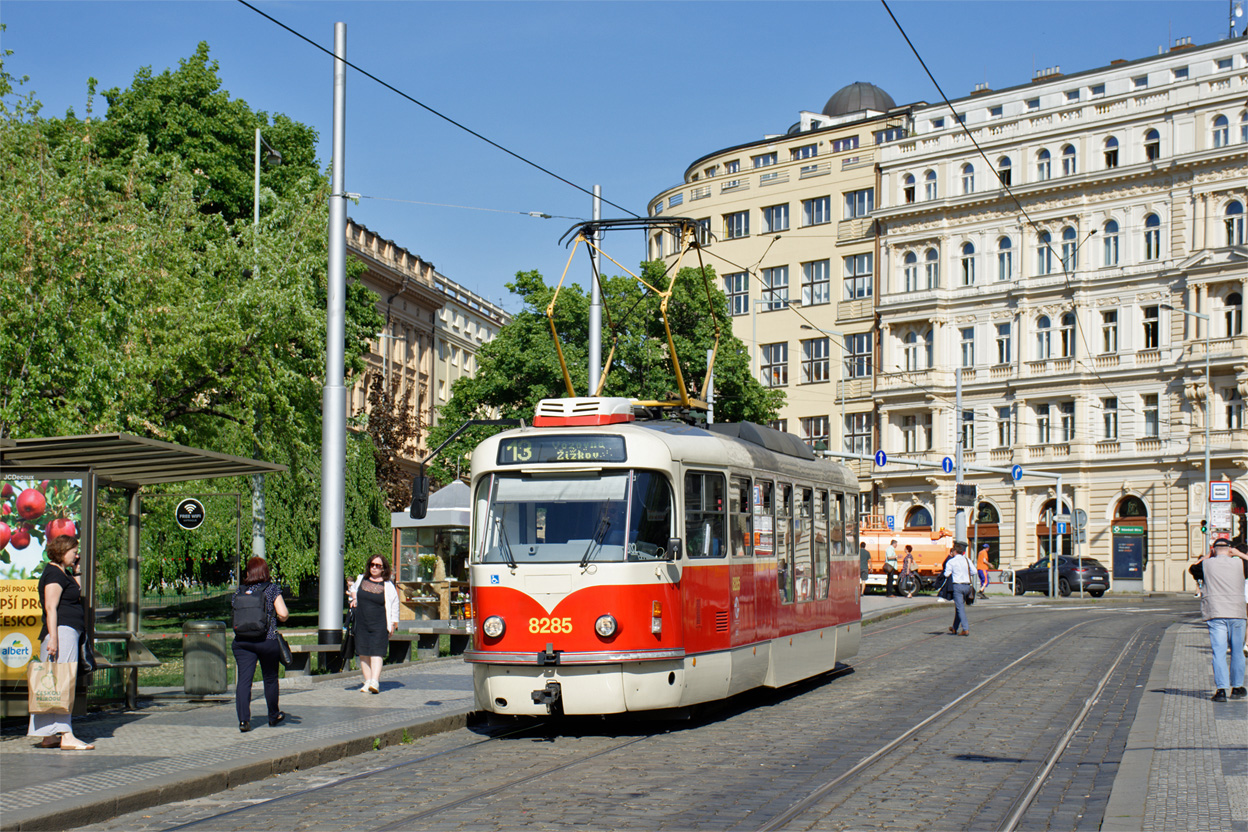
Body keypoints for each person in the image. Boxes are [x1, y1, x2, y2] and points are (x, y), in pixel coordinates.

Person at [28, 535, 93, 751]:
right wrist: (54, 638)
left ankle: (49, 736)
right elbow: (50, 607)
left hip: (64, 632)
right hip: (62, 633)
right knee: (64, 682)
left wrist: (76, 568)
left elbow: (78, 590)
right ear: (63, 550)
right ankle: (66, 735)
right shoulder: (54, 574)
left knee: (52, 684)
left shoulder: (60, 573)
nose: (76, 555)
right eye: (74, 551)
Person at [232, 557, 289, 732]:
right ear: (265, 572)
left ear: (248, 572)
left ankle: (243, 720)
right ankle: (273, 715)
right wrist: (277, 617)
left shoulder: (239, 591)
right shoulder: (271, 589)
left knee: (244, 681)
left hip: (242, 642)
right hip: (266, 640)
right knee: (270, 679)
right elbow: (283, 613)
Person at [1193, 538, 1247, 701]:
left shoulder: (1206, 565)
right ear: (1230, 549)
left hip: (1216, 612)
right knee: (1237, 651)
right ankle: (1237, 687)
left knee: (1219, 651)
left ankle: (1221, 690)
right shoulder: (1241, 565)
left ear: (1214, 550)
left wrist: (1207, 556)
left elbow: (1193, 569)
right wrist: (1240, 555)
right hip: (1237, 612)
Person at [347, 554, 400, 694]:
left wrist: (394, 623)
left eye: (378, 566)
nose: (374, 568)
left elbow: (394, 604)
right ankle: (367, 681)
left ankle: (375, 681)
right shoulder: (361, 579)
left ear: (383, 569)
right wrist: (354, 599)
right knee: (363, 653)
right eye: (372, 565)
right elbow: (353, 590)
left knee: (376, 652)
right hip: (362, 622)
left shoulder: (387, 585)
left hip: (379, 623)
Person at [944, 542, 974, 636]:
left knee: (960, 607)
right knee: (959, 607)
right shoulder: (967, 560)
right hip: (967, 586)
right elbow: (974, 571)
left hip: (957, 586)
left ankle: (965, 629)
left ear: (954, 551)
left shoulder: (951, 561)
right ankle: (954, 628)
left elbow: (946, 574)